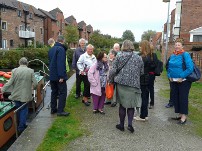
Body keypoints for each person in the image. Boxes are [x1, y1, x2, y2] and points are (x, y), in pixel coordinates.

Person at [109, 40, 144, 133]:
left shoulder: (119, 56)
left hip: (121, 84)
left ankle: (121, 125)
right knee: (131, 106)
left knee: (122, 105)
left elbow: (113, 70)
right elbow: (142, 72)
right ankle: (129, 124)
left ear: (123, 46)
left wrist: (110, 80)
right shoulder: (138, 57)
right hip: (133, 85)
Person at [1, 57, 37, 133]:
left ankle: (17, 125)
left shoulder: (14, 71)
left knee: (18, 109)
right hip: (25, 95)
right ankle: (21, 127)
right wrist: (34, 87)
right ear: (27, 63)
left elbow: (9, 83)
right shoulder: (30, 71)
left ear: (19, 63)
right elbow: (35, 83)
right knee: (24, 110)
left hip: (16, 94)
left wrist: (2, 90)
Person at [167, 39, 193, 124]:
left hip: (183, 81)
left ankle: (184, 117)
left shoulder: (185, 55)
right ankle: (179, 114)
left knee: (183, 98)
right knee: (176, 98)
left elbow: (190, 68)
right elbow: (168, 67)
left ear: (182, 46)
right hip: (173, 80)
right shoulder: (173, 55)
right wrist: (169, 76)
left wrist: (181, 77)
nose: (177, 46)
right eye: (176, 44)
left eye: (179, 45)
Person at [48, 35, 70, 116]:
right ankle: (60, 111)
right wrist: (61, 76)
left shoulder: (51, 49)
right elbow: (60, 63)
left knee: (54, 92)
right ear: (63, 41)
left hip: (52, 75)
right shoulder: (61, 49)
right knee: (62, 93)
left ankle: (53, 109)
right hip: (59, 76)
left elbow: (51, 63)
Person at [134, 40, 152, 121]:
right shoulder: (149, 56)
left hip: (143, 79)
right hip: (148, 78)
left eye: (140, 46)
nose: (139, 47)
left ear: (144, 47)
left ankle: (142, 116)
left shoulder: (143, 57)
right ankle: (145, 114)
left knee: (143, 97)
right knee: (146, 97)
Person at [148, 45, 158, 109]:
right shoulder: (147, 55)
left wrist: (148, 65)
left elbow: (155, 64)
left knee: (150, 88)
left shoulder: (153, 55)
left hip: (150, 74)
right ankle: (150, 102)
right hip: (150, 74)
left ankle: (152, 103)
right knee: (149, 88)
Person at [111, 43, 121, 107]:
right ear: (113, 48)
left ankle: (116, 101)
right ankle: (111, 100)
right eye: (116, 48)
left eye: (118, 48)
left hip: (118, 74)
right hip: (112, 73)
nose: (117, 49)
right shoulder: (110, 54)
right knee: (112, 87)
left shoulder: (121, 55)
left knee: (117, 88)